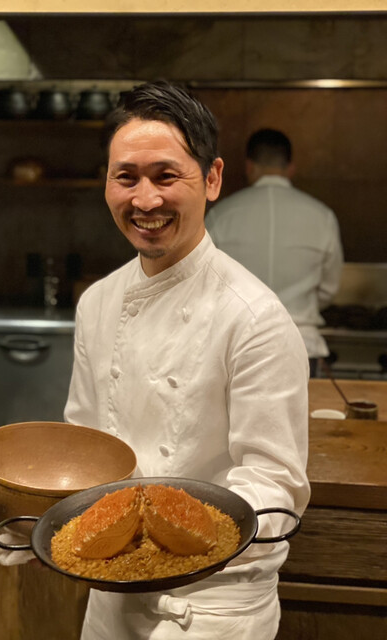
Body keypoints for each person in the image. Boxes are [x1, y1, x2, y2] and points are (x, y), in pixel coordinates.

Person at [63, 82, 310, 640]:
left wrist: (163, 539)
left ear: (213, 179)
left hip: (212, 607)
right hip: (110, 594)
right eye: (127, 177)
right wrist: (44, 517)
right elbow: (86, 446)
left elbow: (274, 485)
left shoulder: (254, 318)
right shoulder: (97, 302)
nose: (145, 200)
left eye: (166, 176)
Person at [206, 128, 343, 377]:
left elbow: (206, 282)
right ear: (290, 168)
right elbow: (329, 289)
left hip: (237, 344)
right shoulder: (322, 216)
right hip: (301, 344)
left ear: (249, 167)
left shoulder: (220, 215)